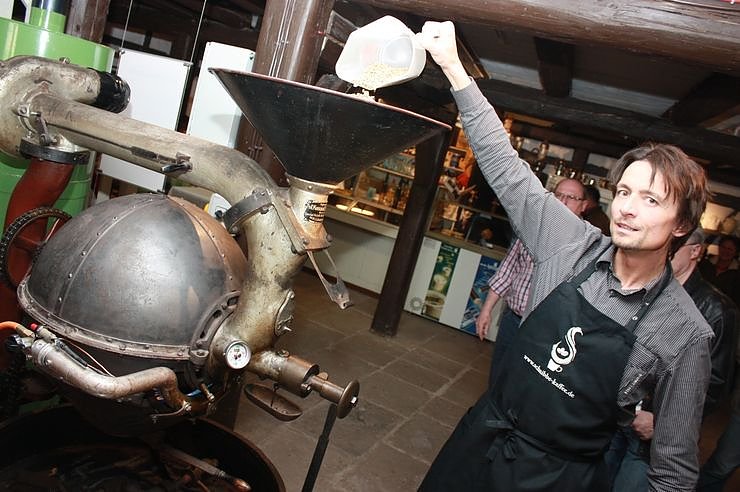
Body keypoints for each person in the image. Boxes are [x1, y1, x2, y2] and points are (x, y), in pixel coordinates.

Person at [416, 20, 712, 492]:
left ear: (681, 225)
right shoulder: (570, 242)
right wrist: (453, 67)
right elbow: (507, 169)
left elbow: (673, 473)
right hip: (482, 441)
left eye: (651, 200)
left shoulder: (684, 332)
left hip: (557, 478)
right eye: (624, 192)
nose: (628, 208)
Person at [606, 227, 739, 491]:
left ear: (695, 251)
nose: (666, 251)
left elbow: (714, 385)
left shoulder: (718, 310)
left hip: (653, 436)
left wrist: (659, 419)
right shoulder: (647, 286)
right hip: (615, 417)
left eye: (675, 246)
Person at [476, 178, 586, 387]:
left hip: (547, 332)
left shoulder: (586, 244)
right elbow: (508, 270)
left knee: (525, 386)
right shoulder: (533, 228)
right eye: (559, 195)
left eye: (571, 197)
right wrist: (486, 310)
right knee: (497, 377)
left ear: (583, 206)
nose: (563, 201)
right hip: (512, 320)